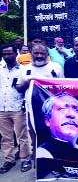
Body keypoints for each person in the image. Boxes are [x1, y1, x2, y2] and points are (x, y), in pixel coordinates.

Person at [0, 44, 32, 174]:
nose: (7, 56)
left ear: (16, 53)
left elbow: (28, 88)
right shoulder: (0, 69)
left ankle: (25, 159)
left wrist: (24, 104)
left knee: (22, 136)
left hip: (18, 107)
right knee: (6, 137)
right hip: (2, 107)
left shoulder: (23, 70)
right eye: (4, 54)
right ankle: (9, 160)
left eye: (9, 53)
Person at [37, 92, 78, 161]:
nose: (71, 114)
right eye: (62, 108)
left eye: (76, 110)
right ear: (48, 121)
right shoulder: (43, 154)